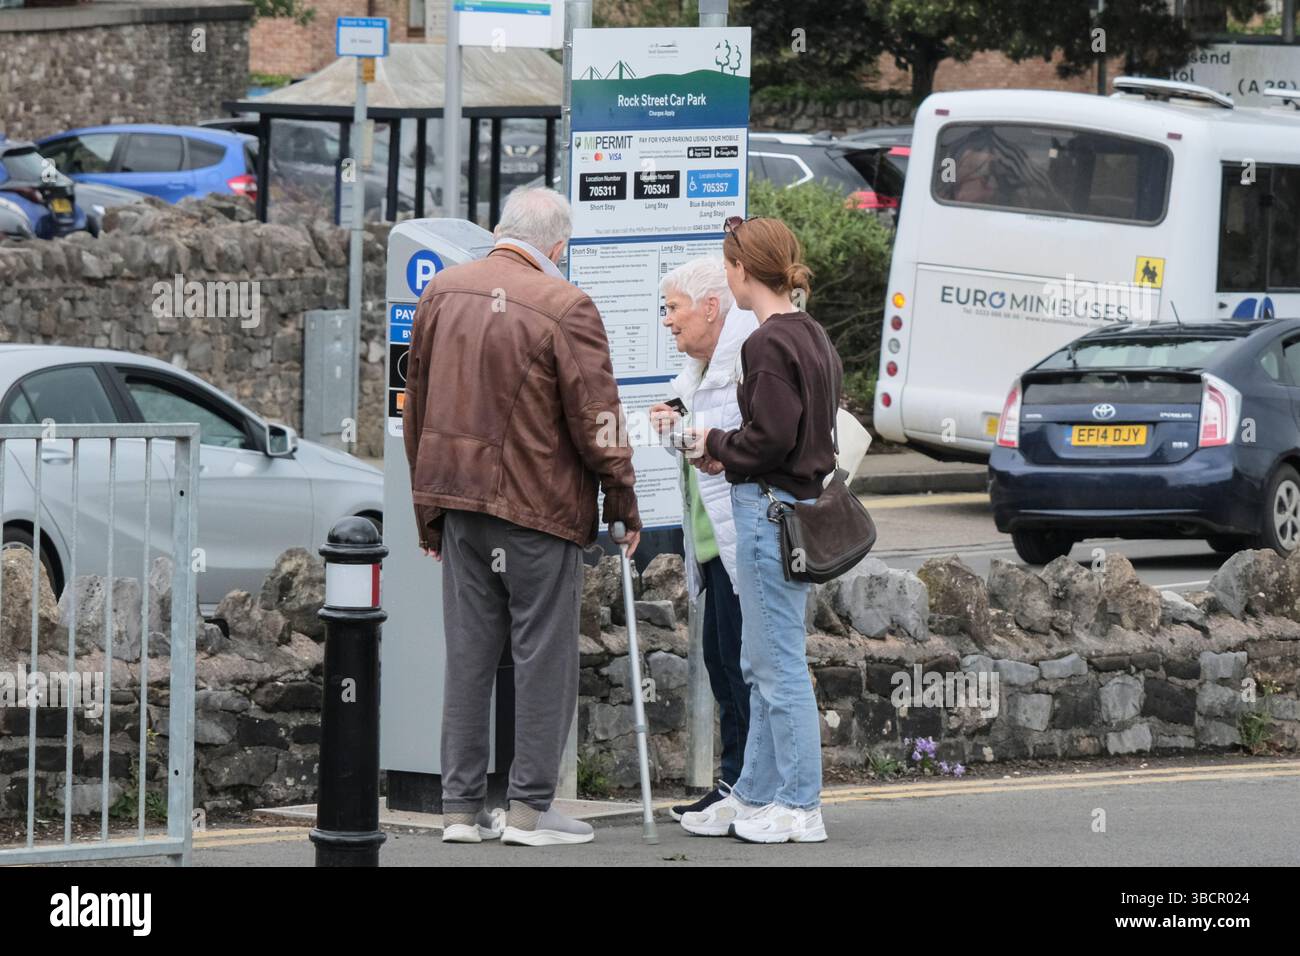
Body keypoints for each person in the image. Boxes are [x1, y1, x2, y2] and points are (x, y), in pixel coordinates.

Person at [402, 186, 641, 847]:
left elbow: (414, 407)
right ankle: (530, 808)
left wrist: (428, 514)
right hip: (536, 507)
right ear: (557, 246)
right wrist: (621, 501)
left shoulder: (443, 293)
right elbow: (598, 419)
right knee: (543, 655)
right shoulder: (565, 304)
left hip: (457, 504)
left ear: (503, 229)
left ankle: (459, 808)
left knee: (468, 656)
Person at [680, 216, 841, 844]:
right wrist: (736, 446)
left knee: (776, 666)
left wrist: (715, 441)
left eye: (729, 264)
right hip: (792, 509)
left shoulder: (765, 342)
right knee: (762, 660)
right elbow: (804, 430)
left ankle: (801, 806)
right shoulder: (811, 334)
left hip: (766, 513)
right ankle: (754, 793)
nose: (726, 274)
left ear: (744, 271)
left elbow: (770, 436)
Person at [647, 257, 758, 821]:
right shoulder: (700, 370)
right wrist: (677, 432)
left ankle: (749, 788)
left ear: (710, 308)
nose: (668, 321)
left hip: (746, 542)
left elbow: (749, 448)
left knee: (746, 670)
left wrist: (699, 438)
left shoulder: (744, 360)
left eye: (674, 308)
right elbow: (702, 456)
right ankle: (735, 783)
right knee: (721, 663)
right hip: (715, 546)